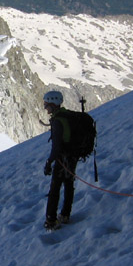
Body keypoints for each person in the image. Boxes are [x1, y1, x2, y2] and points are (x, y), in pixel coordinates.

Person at [42, 90, 78, 231]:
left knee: (55, 189)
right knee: (69, 184)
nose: (45, 108)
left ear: (53, 104)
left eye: (46, 105)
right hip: (72, 157)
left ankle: (51, 220)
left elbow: (56, 146)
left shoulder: (57, 121)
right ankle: (65, 214)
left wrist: (49, 162)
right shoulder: (67, 115)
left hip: (62, 159)